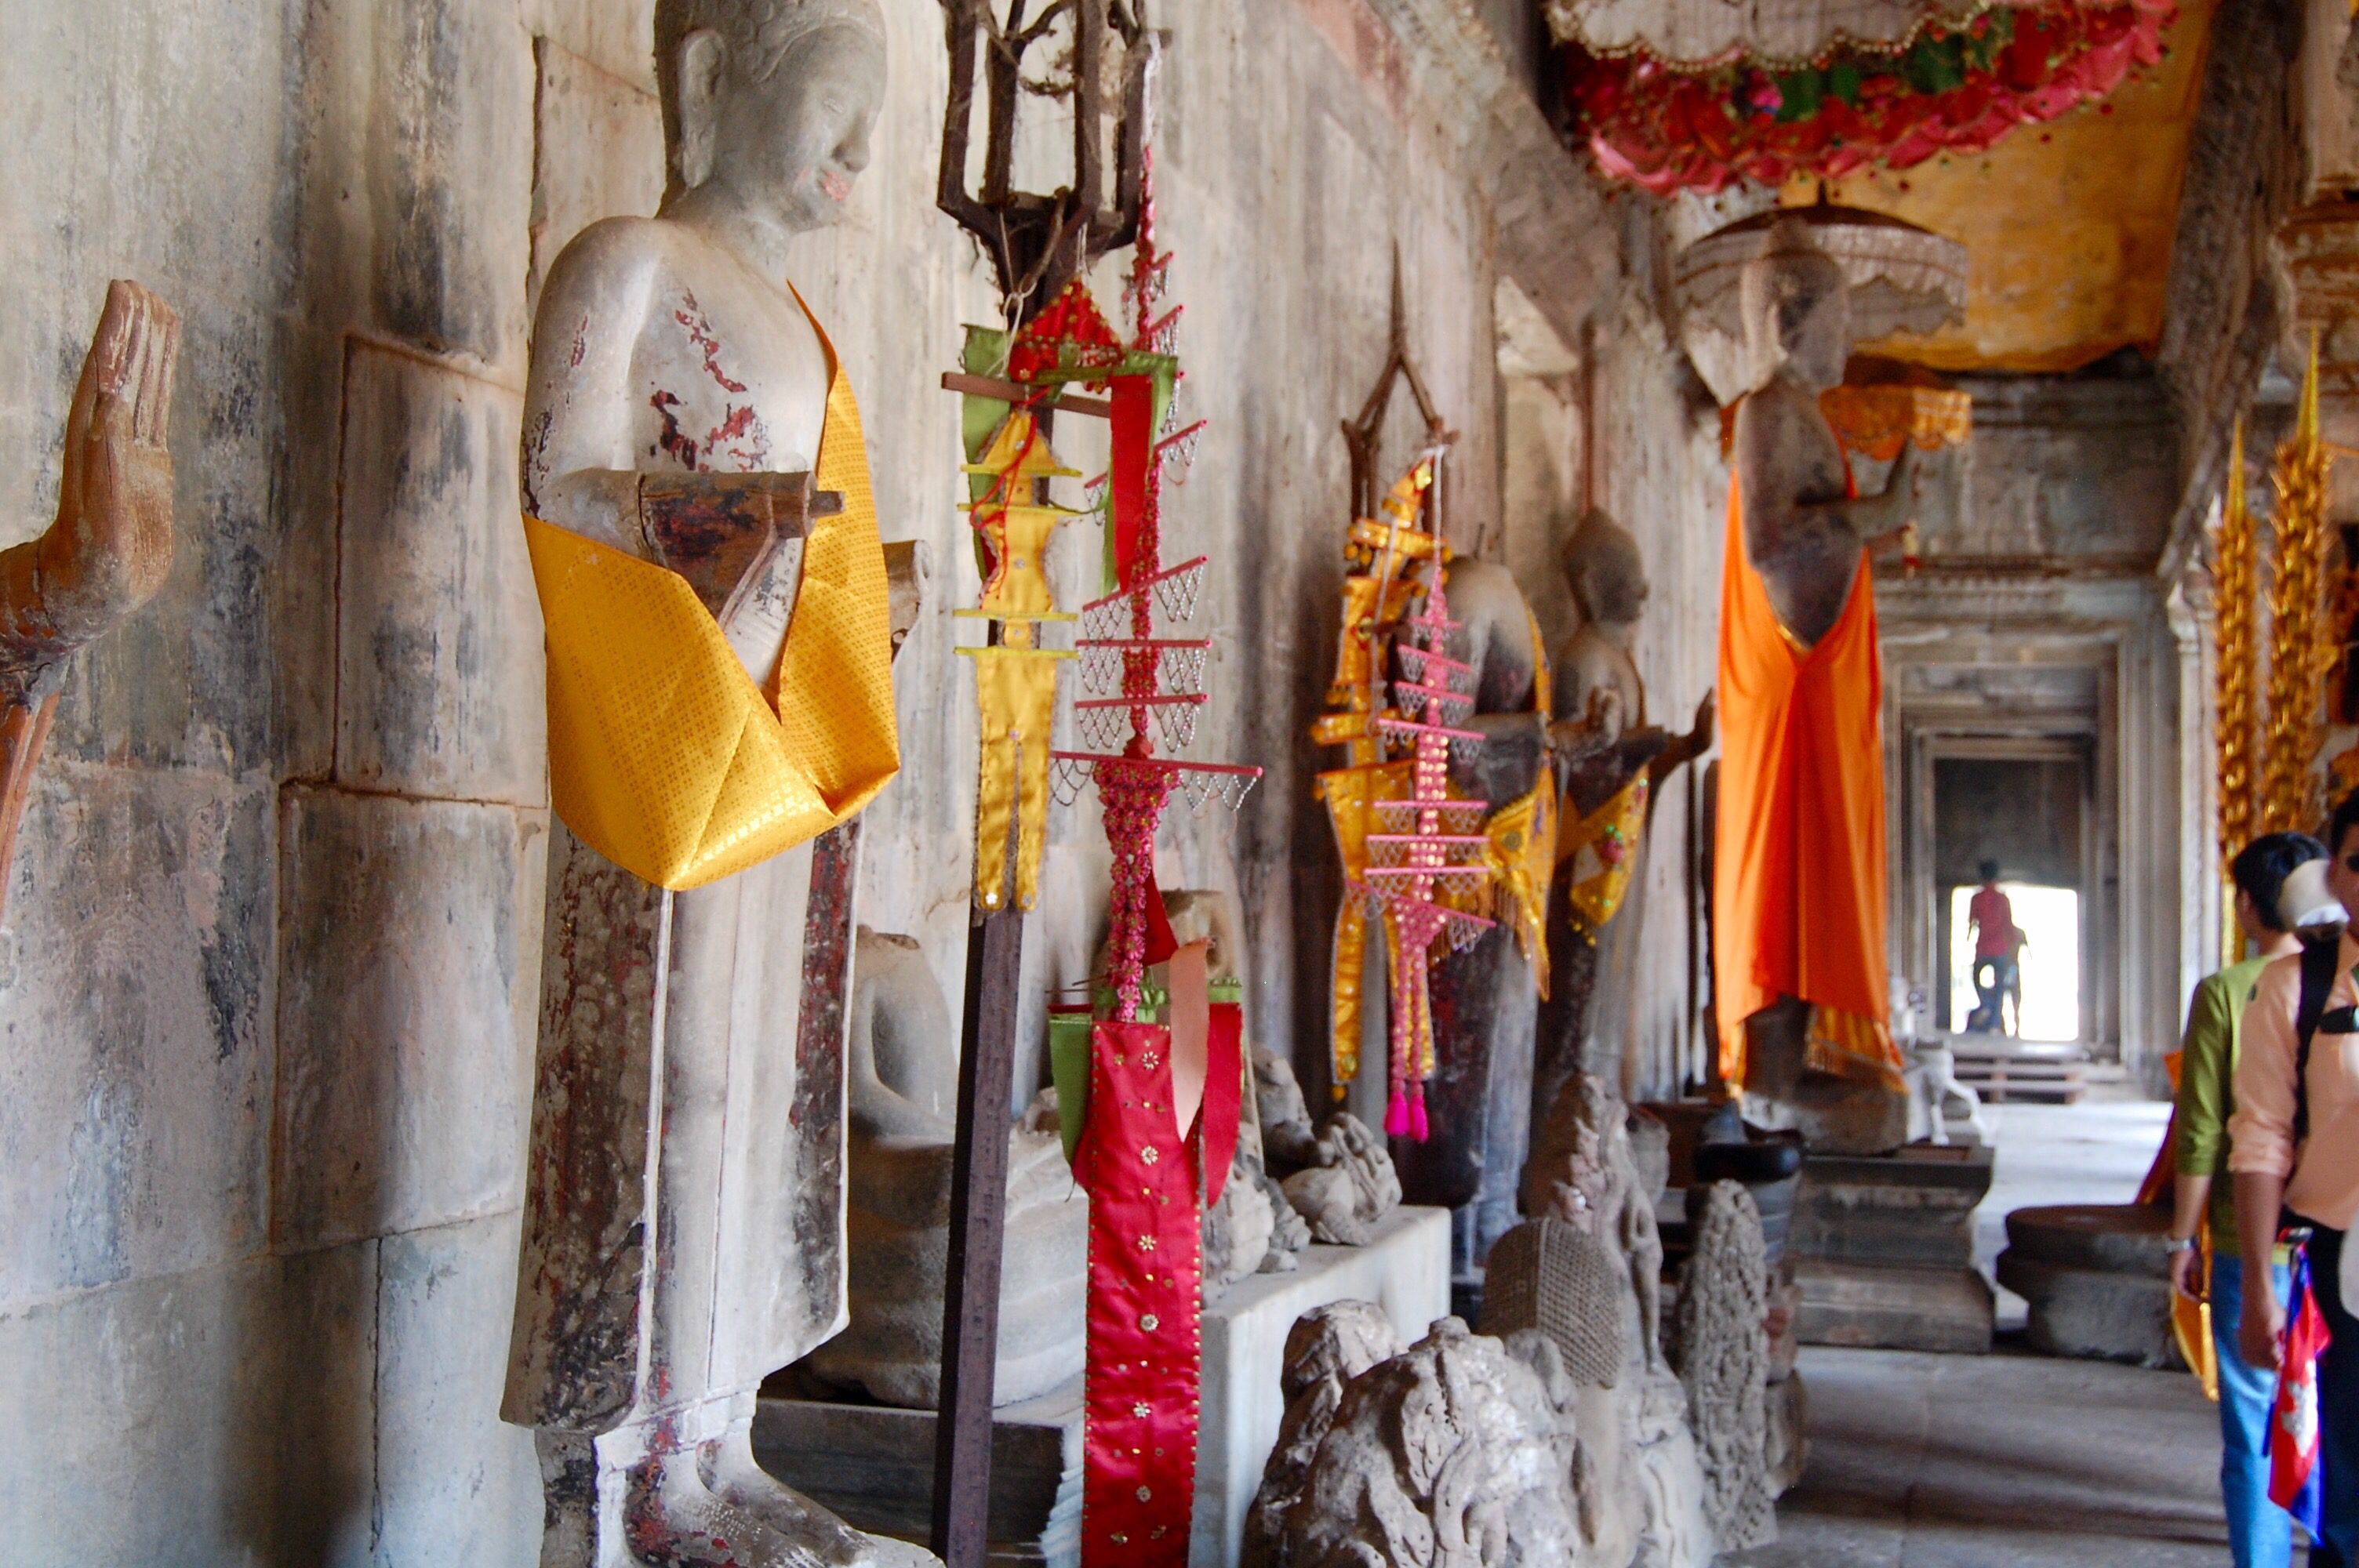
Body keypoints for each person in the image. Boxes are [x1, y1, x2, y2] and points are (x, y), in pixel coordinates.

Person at [2170, 831, 2331, 1567]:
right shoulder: (2341, 984)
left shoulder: (2229, 992)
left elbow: (2203, 1130)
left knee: (2255, 1419)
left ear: (2245, 905)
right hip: (2334, 1236)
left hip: (2251, 1235)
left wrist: (2183, 1237)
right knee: (2334, 1412)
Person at [2233, 789, 2359, 1566]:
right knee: (2343, 1501)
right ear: (2333, 872)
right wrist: (2258, 1286)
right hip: (2342, 1270)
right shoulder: (2294, 988)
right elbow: (2260, 1141)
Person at [1968, 862, 2017, 1034]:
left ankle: (1984, 1005)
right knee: (1999, 988)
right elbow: (2008, 924)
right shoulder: (2002, 899)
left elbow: (1972, 922)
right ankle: (1994, 1024)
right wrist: (2012, 946)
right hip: (1999, 949)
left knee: (1976, 978)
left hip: (1982, 948)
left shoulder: (1977, 898)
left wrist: (1968, 940)